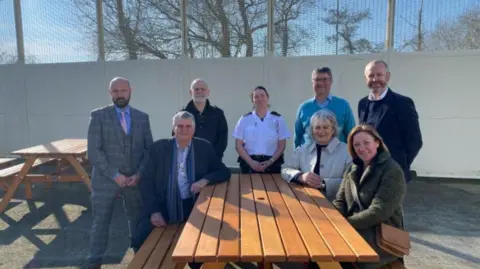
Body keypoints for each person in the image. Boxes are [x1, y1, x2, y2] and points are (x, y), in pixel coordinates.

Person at [132, 111, 231, 269]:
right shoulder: (159, 148)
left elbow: (223, 171)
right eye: (180, 126)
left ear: (194, 128)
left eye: (188, 126)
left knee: (203, 246)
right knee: (140, 238)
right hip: (163, 205)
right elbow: (146, 182)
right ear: (173, 128)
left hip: (193, 206)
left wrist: (205, 180)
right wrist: (154, 211)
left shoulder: (203, 147)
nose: (184, 130)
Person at [85, 77, 154, 269]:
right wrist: (115, 175)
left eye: (123, 90)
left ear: (130, 90)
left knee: (137, 220)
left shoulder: (142, 117)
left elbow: (149, 150)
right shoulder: (98, 116)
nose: (120, 94)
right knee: (100, 222)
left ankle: (142, 257)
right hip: (106, 180)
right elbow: (93, 152)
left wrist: (139, 174)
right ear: (110, 93)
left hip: (134, 180)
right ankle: (94, 261)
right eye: (115, 91)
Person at [333, 124, 406, 269]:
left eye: (366, 143)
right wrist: (331, 220)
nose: (361, 148)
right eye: (356, 145)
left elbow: (379, 211)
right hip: (357, 227)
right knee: (322, 243)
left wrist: (344, 225)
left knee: (335, 252)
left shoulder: (392, 170)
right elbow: (340, 201)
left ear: (377, 143)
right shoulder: (353, 168)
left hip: (382, 234)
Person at [358, 60, 423, 182]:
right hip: (368, 172)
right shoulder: (362, 104)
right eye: (371, 75)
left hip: (392, 175)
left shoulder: (402, 103)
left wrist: (399, 165)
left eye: (379, 75)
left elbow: (415, 141)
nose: (375, 79)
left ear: (387, 76)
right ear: (365, 78)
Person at [281, 109, 352, 202]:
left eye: (326, 127)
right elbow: (285, 169)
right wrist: (300, 176)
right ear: (312, 131)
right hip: (307, 201)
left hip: (336, 204)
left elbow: (351, 181)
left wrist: (325, 183)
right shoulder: (303, 150)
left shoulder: (347, 151)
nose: (321, 131)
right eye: (317, 127)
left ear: (333, 129)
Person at [232, 86, 290, 173]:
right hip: (249, 163)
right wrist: (251, 163)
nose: (260, 99)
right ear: (252, 100)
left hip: (272, 164)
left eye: (262, 95)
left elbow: (282, 146)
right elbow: (238, 145)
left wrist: (270, 162)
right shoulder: (244, 119)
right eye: (256, 97)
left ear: (267, 98)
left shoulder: (278, 119)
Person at [294, 67, 356, 148]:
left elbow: (351, 134)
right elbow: (298, 137)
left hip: (337, 157)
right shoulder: (304, 108)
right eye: (317, 79)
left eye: (324, 79)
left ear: (331, 81)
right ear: (312, 82)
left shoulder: (343, 105)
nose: (320, 83)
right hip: (309, 158)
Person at [178, 78, 228, 160]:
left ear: (208, 92)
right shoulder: (181, 115)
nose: (199, 92)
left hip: (212, 162)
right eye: (196, 89)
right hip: (188, 161)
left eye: (203, 89)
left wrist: (214, 157)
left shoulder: (218, 114)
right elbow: (177, 139)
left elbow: (222, 140)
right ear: (191, 92)